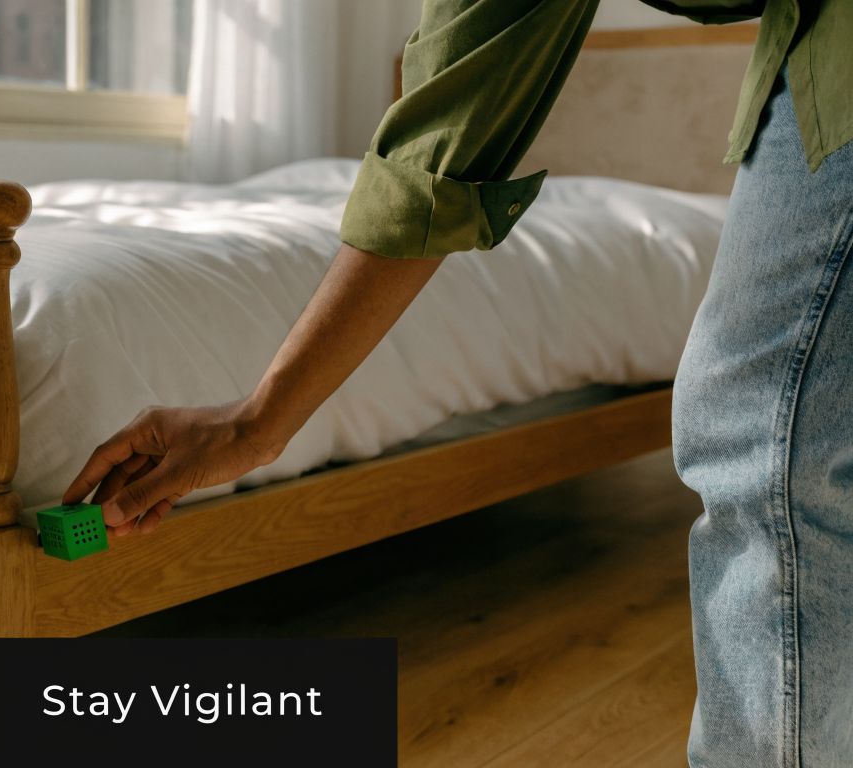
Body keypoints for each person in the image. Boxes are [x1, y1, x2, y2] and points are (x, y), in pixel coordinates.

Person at [62, 1, 852, 765]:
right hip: (804, 38)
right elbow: (440, 132)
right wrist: (254, 425)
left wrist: (256, 420)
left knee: (764, 428)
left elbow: (441, 146)